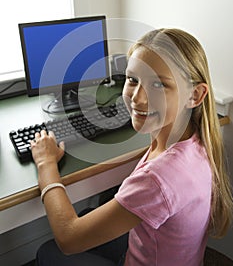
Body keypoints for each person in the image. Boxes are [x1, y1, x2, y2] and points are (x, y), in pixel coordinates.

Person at [31, 28, 233, 266]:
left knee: (49, 251)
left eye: (158, 85)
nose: (137, 98)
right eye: (132, 80)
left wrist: (46, 164)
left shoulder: (158, 178)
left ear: (195, 95)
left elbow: (69, 238)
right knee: (89, 214)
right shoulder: (196, 139)